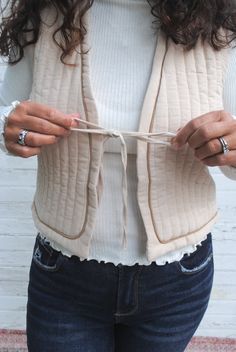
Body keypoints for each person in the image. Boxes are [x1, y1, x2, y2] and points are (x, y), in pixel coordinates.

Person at [0, 0, 236, 351]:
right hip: (63, 274)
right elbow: (9, 112)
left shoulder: (221, 25)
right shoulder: (43, 14)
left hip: (178, 278)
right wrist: (8, 128)